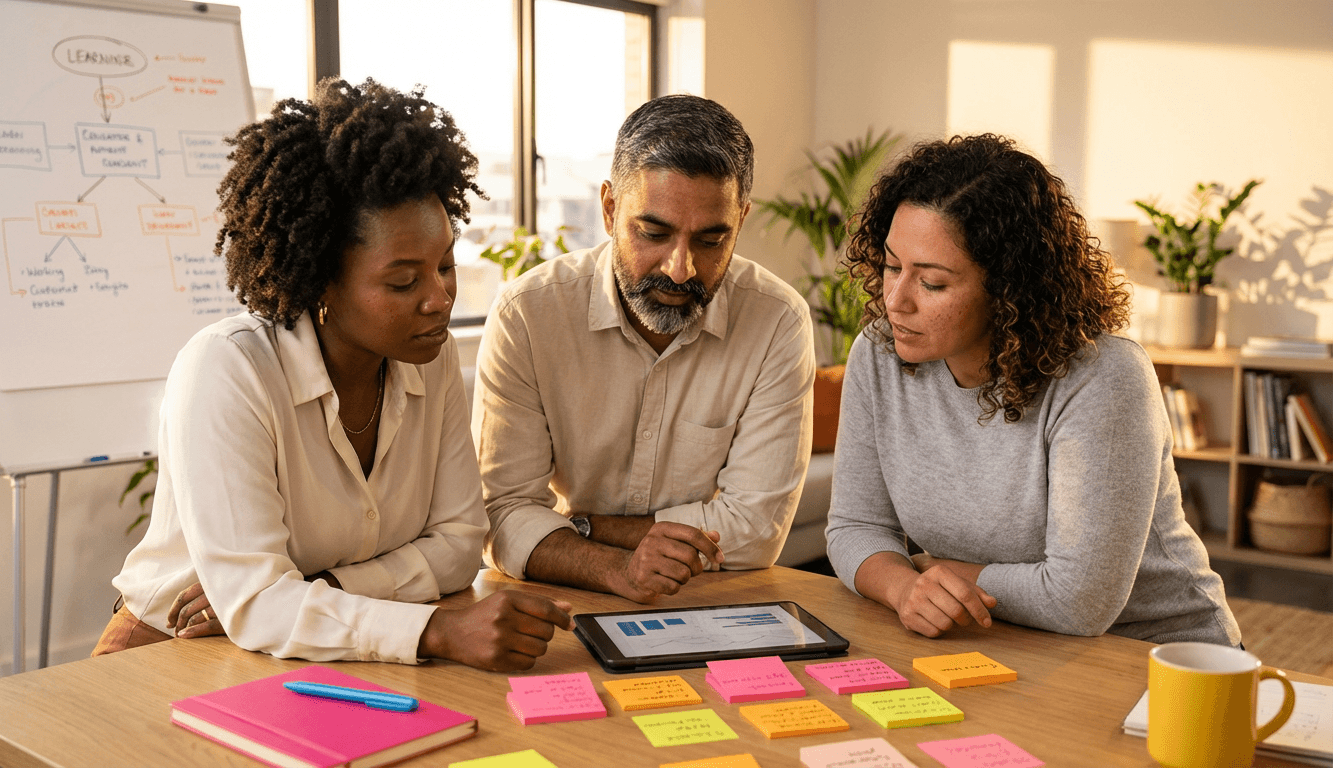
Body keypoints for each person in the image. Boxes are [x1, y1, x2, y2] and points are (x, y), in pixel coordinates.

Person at [97, 78, 572, 672]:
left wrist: (320, 592)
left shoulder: (431, 355)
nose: (440, 298)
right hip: (171, 652)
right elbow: (258, 606)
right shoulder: (228, 369)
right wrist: (433, 631)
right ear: (321, 281)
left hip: (315, 650)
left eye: (446, 266)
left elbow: (456, 546)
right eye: (404, 281)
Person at [825, 134, 1240, 645]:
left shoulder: (1103, 376)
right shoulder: (878, 353)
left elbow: (1080, 602)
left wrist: (939, 569)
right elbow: (854, 527)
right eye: (891, 266)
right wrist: (905, 588)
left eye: (931, 283)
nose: (895, 300)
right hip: (1000, 638)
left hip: (1157, 653)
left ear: (1008, 288)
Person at [475, 94, 815, 603]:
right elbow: (501, 515)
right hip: (560, 595)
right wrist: (617, 568)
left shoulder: (776, 321)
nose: (681, 269)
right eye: (653, 233)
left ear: (740, 220)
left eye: (710, 240)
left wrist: (581, 526)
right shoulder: (528, 314)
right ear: (610, 208)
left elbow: (756, 532)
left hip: (705, 598)